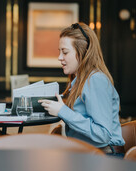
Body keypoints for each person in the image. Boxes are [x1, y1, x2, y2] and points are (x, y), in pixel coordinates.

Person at [39, 22, 125, 157]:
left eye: (65, 52)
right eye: (59, 51)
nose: (59, 57)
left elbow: (103, 135)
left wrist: (63, 111)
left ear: (83, 53)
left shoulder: (95, 80)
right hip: (90, 155)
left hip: (106, 158)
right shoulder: (80, 81)